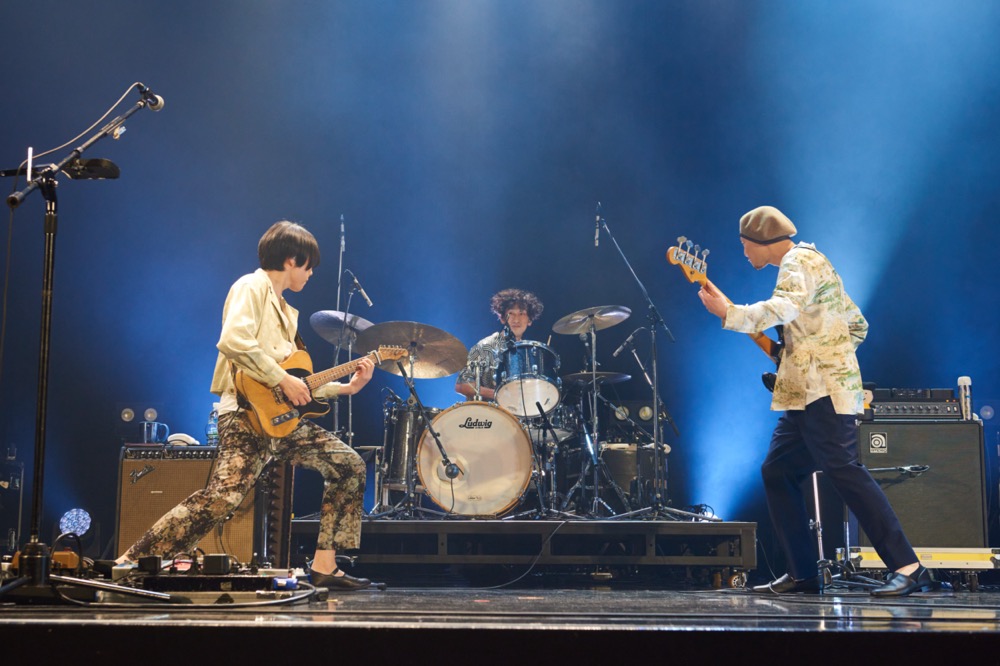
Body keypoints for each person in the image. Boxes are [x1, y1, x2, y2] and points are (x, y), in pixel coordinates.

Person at [118, 221, 375, 590]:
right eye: (309, 266)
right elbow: (234, 341)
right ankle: (132, 561)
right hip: (243, 415)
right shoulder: (250, 286)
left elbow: (297, 384)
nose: (311, 274)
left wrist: (346, 388)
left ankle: (324, 565)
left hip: (280, 420)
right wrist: (281, 378)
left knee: (348, 465)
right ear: (291, 259)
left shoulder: (287, 312)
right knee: (222, 499)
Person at [696, 206, 932, 597]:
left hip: (822, 390)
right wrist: (815, 351)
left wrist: (730, 313)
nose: (744, 253)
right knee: (778, 471)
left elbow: (782, 307)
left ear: (761, 240)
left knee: (845, 471)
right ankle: (804, 573)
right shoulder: (813, 262)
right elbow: (857, 324)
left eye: (744, 245)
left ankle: (909, 566)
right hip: (805, 391)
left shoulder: (797, 262)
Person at [455, 288, 544, 402]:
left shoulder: (528, 352)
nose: (516, 319)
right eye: (511, 313)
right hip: (488, 411)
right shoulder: (485, 346)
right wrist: (499, 394)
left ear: (530, 320)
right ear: (502, 318)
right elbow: (461, 385)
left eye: (522, 314)